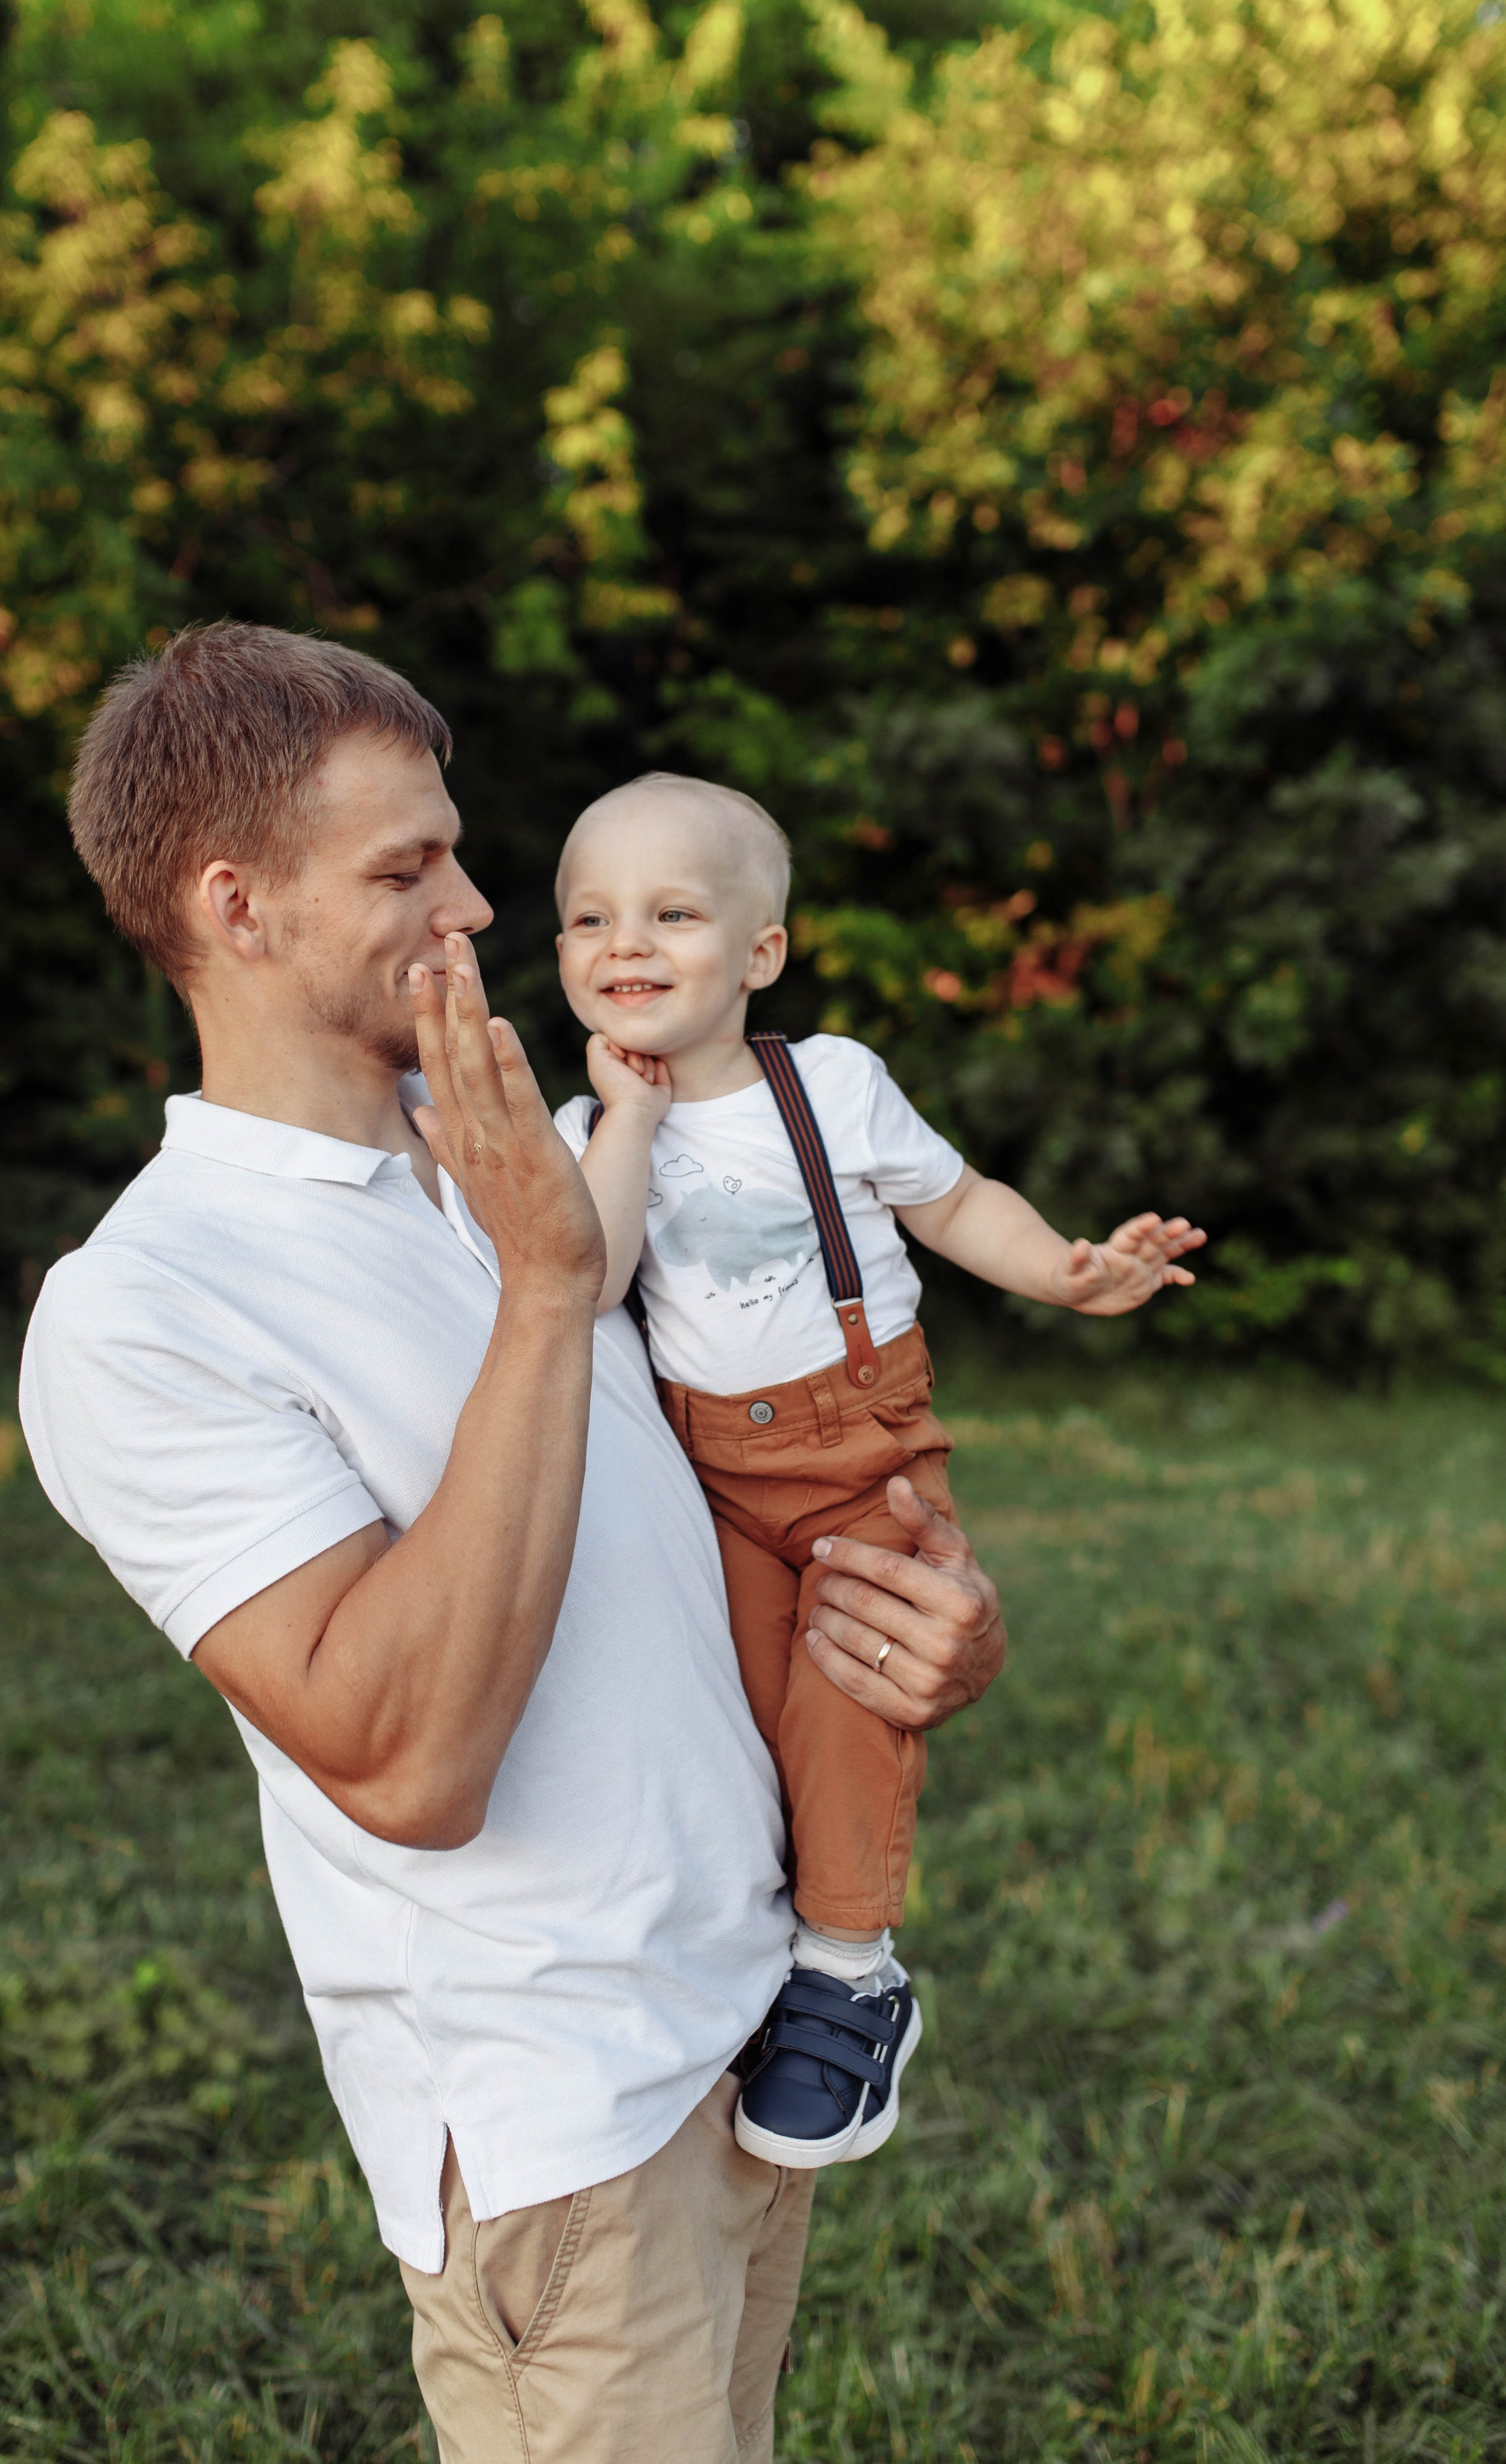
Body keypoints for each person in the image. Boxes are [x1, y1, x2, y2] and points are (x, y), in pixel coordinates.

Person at [18, 624, 1010, 2464]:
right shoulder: (147, 1310)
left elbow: (728, 1502)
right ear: (234, 906)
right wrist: (549, 1295)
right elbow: (407, 1759)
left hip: (741, 2040)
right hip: (568, 2138)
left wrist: (922, 1627)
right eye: (408, 869)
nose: (477, 906)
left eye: (461, 853)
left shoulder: (515, 1149)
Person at [553, 771, 1205, 2173]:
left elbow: (955, 1203)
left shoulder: (830, 1086)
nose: (625, 944)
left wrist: (1064, 1274)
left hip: (860, 1461)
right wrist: (624, 1122)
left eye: (670, 912)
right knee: (727, 1709)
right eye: (588, 920)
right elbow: (591, 1277)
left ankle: (849, 1968)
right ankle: (747, 1954)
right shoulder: (589, 1136)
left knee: (849, 1694)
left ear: (760, 952)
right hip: (709, 1475)